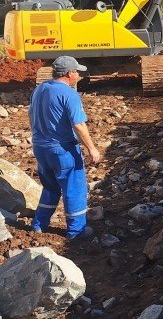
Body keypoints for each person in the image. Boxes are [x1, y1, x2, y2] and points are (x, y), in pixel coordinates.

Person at [29, 56, 101, 239]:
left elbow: (31, 116)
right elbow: (78, 125)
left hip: (40, 147)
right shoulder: (69, 94)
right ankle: (76, 232)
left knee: (50, 187)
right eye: (77, 71)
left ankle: (38, 224)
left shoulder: (40, 89)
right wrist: (92, 148)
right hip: (62, 149)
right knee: (74, 189)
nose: (79, 75)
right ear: (70, 73)